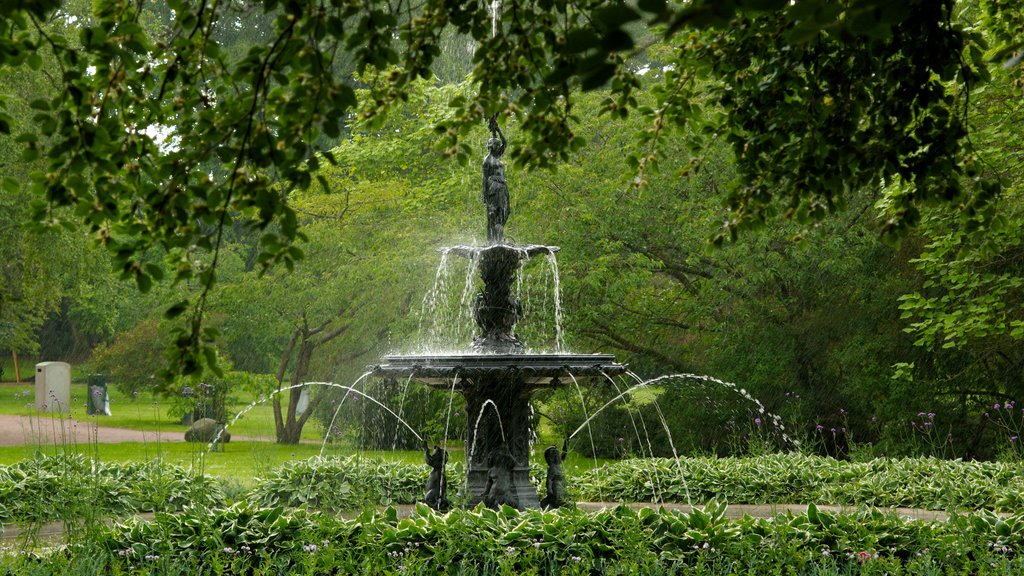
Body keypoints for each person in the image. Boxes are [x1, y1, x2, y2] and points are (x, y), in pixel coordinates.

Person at [482, 115, 509, 243]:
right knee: (494, 213)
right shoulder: (487, 160)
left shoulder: (498, 156)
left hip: (503, 186)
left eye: (498, 145)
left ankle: (498, 236)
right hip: (493, 186)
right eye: (496, 145)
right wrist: (485, 195)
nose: (499, 146)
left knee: (506, 211)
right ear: (492, 146)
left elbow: (506, 142)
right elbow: (484, 178)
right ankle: (494, 239)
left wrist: (497, 129)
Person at [482, 444, 519, 509]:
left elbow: (513, 462)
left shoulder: (506, 468)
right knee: (493, 507)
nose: (498, 459)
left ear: (504, 459)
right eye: (497, 457)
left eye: (500, 457)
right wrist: (485, 492)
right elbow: (488, 484)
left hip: (505, 494)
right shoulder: (492, 470)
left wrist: (508, 451)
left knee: (507, 506)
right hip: (493, 494)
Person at [540, 438, 569, 509]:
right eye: (556, 455)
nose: (558, 456)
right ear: (551, 458)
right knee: (557, 498)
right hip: (556, 486)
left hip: (562, 484)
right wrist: (549, 490)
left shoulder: (558, 464)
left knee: (563, 497)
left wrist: (566, 444)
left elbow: (564, 454)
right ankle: (552, 507)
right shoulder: (552, 467)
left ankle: (560, 508)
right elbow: (549, 480)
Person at [423, 442, 450, 511]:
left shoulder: (438, 465)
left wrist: (426, 450)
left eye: (435, 454)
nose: (433, 455)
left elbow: (430, 461)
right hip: (435, 488)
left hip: (434, 490)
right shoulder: (440, 467)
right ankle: (438, 503)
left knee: (431, 496)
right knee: (435, 494)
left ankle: (435, 505)